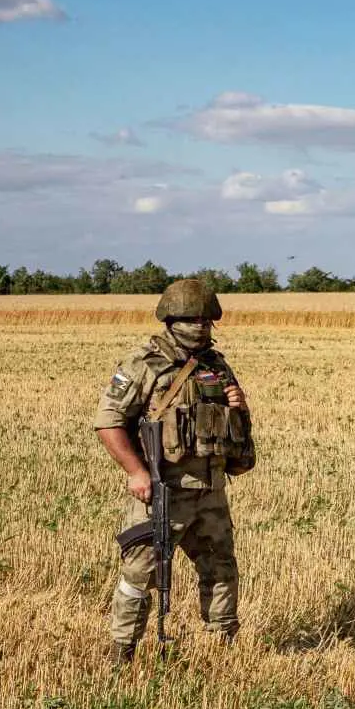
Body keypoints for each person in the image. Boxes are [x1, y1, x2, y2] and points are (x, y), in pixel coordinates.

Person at [91, 278, 256, 665]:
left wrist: (239, 406)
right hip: (164, 489)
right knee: (140, 576)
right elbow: (108, 421)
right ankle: (121, 654)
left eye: (205, 319)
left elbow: (234, 435)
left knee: (221, 570)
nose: (199, 326)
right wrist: (136, 471)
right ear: (171, 319)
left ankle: (223, 649)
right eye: (190, 318)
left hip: (210, 490)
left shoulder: (216, 366)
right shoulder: (144, 363)